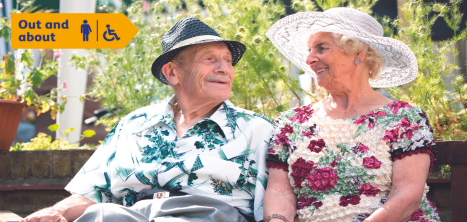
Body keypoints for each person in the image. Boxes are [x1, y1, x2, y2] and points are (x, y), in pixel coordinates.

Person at [22, 17, 273, 222]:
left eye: (228, 61)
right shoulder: (134, 124)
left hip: (206, 215)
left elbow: (275, 204)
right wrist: (55, 212)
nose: (224, 69)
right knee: (101, 215)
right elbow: (93, 193)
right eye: (210, 59)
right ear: (172, 72)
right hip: (134, 213)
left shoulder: (256, 130)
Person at [263, 8, 440, 222]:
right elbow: (279, 192)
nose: (309, 58)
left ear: (359, 53)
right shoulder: (290, 122)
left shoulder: (404, 118)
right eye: (310, 49)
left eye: (321, 47)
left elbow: (407, 195)